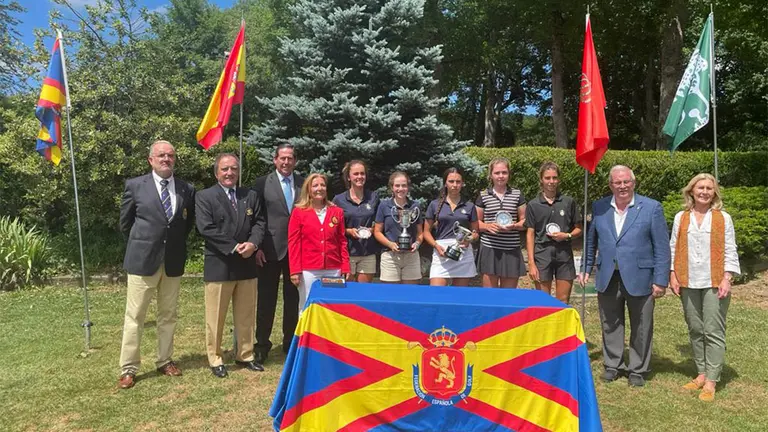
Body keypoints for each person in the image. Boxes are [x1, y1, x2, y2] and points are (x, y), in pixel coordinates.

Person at [579, 165, 670, 387]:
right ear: (610, 185)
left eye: (626, 182)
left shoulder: (651, 208)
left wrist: (660, 279)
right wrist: (585, 267)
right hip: (608, 276)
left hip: (641, 277)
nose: (622, 186)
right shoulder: (600, 207)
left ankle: (638, 368)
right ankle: (613, 364)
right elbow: (591, 242)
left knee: (642, 324)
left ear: (633, 183)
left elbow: (662, 247)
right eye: (617, 182)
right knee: (610, 322)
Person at [117, 140, 196, 389]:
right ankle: (128, 368)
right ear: (150, 159)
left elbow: (187, 224)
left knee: (168, 315)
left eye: (170, 155)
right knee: (135, 317)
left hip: (172, 262)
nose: (166, 159)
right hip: (142, 261)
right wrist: (145, 243)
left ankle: (165, 360)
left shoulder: (186, 189)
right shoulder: (134, 186)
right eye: (161, 155)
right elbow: (125, 224)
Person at [669, 173, 740, 402]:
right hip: (688, 280)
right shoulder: (682, 217)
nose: (705, 192)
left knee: (713, 330)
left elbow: (730, 248)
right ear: (692, 191)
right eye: (701, 187)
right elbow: (673, 246)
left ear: (715, 193)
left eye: (710, 188)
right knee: (695, 328)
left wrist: (727, 277)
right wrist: (673, 274)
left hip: (714, 281)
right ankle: (701, 373)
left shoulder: (723, 218)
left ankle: (711, 380)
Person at [196, 153, 266, 378]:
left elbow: (259, 222)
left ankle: (245, 355)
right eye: (225, 169)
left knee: (246, 314)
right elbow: (206, 228)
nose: (230, 173)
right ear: (217, 172)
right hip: (220, 263)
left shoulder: (250, 195)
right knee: (216, 317)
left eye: (234, 169)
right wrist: (236, 247)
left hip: (246, 264)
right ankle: (215, 358)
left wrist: (254, 244)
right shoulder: (205, 196)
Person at [252, 144, 303, 364]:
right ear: (275, 160)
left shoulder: (303, 183)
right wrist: (257, 246)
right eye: (282, 158)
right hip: (269, 250)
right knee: (266, 300)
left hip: (296, 251)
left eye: (290, 158)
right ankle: (262, 345)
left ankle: (289, 342)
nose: (286, 162)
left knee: (292, 300)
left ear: (295, 161)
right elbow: (255, 218)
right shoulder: (262, 183)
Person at [289, 173, 351, 309]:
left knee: (333, 307)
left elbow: (342, 241)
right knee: (307, 306)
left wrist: (345, 265)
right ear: (309, 189)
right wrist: (295, 270)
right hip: (309, 270)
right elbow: (293, 243)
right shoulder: (299, 212)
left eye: (322, 185)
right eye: (315, 185)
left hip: (333, 269)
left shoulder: (337, 212)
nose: (319, 188)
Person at [525, 162, 582, 303]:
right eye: (547, 178)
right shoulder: (533, 204)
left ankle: (560, 326)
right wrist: (531, 263)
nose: (551, 182)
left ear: (559, 180)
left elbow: (579, 228)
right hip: (542, 253)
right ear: (541, 180)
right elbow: (530, 234)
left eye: (554, 178)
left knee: (563, 300)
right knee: (543, 301)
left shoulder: (568, 202)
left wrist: (567, 235)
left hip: (564, 253)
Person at [475, 158, 527, 288]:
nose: (501, 176)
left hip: (511, 249)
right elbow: (475, 223)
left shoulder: (517, 195)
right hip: (489, 249)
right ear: (490, 175)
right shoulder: (483, 195)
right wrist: (487, 226)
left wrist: (514, 226)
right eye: (497, 173)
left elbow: (525, 222)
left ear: (509, 174)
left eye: (504, 172)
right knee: (490, 296)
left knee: (508, 296)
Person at [423, 168, 479, 286]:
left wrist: (470, 239)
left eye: (458, 182)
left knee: (459, 297)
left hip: (463, 253)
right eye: (451, 181)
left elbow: (476, 233)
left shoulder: (469, 206)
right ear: (445, 183)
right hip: (441, 252)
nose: (455, 185)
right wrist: (436, 246)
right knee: (436, 294)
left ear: (462, 184)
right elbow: (426, 232)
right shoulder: (434, 204)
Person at [332, 161, 379, 282]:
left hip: (368, 252)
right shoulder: (339, 200)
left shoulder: (373, 197)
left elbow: (379, 221)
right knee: (347, 292)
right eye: (356, 174)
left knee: (364, 293)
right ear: (348, 177)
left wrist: (373, 229)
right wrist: (348, 231)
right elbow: (333, 227)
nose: (359, 177)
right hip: (347, 253)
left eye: (362, 173)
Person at [374, 171, 424, 284]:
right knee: (390, 294)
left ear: (408, 187)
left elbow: (420, 232)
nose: (400, 189)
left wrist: (417, 244)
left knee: (410, 294)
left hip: (411, 256)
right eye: (397, 185)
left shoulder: (415, 206)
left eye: (404, 185)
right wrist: (390, 244)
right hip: (390, 256)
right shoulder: (384, 205)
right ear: (392, 187)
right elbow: (377, 232)